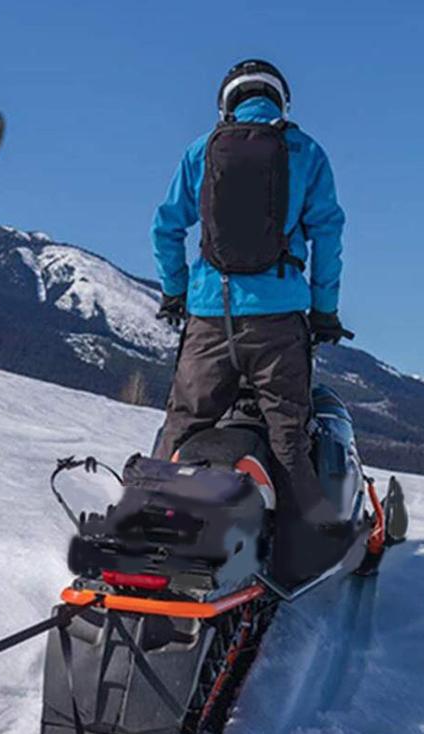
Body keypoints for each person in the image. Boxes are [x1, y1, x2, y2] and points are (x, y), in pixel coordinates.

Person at [152, 58, 350, 526]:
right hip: (278, 324)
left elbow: (166, 228)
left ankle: (144, 523)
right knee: (288, 439)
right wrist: (325, 310)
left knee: (184, 425)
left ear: (226, 105)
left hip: (208, 318)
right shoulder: (306, 152)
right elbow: (328, 236)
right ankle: (310, 544)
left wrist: (176, 292)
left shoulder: (200, 151)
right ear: (280, 101)